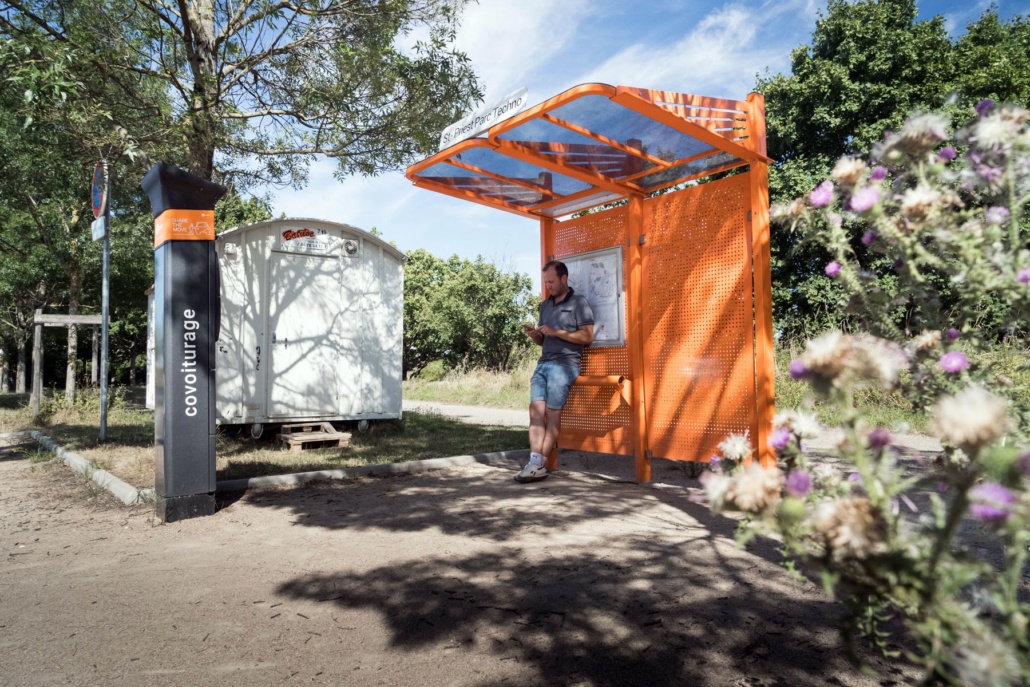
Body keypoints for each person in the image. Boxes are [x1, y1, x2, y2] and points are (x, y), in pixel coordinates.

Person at [517, 260, 594, 483]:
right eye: (545, 282)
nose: (548, 285)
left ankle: (539, 463)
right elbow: (542, 341)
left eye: (551, 281)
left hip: (565, 364)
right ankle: (534, 461)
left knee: (552, 413)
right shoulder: (545, 305)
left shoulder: (579, 302)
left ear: (563, 278)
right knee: (535, 411)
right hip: (544, 362)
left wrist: (556, 331)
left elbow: (587, 337)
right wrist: (535, 335)